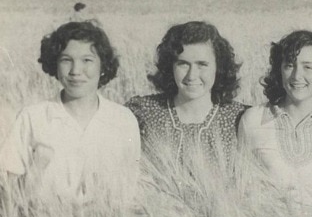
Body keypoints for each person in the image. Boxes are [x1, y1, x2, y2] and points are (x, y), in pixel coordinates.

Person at [0, 21, 140, 204]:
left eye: (87, 60)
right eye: (66, 60)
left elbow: (131, 190)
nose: (76, 71)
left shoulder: (123, 120)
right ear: (54, 64)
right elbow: (9, 192)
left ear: (103, 66)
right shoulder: (32, 118)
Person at [238, 30, 312, 207]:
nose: (297, 76)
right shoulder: (253, 119)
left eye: (308, 67)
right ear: (279, 70)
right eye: (289, 65)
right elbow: (242, 188)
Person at [125, 21, 248, 170]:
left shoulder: (240, 118)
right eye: (183, 64)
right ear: (170, 66)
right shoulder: (143, 112)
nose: (192, 75)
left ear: (218, 67)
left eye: (202, 64)